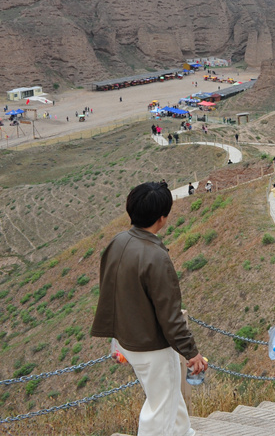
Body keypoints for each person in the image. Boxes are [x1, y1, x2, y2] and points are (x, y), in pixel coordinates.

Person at [91, 181, 207, 436]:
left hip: (128, 340)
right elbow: (170, 315)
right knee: (158, 408)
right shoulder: (155, 256)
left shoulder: (117, 242)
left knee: (165, 395)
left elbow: (112, 293)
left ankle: (183, 432)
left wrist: (115, 339)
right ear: (162, 218)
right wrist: (192, 353)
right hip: (151, 346)